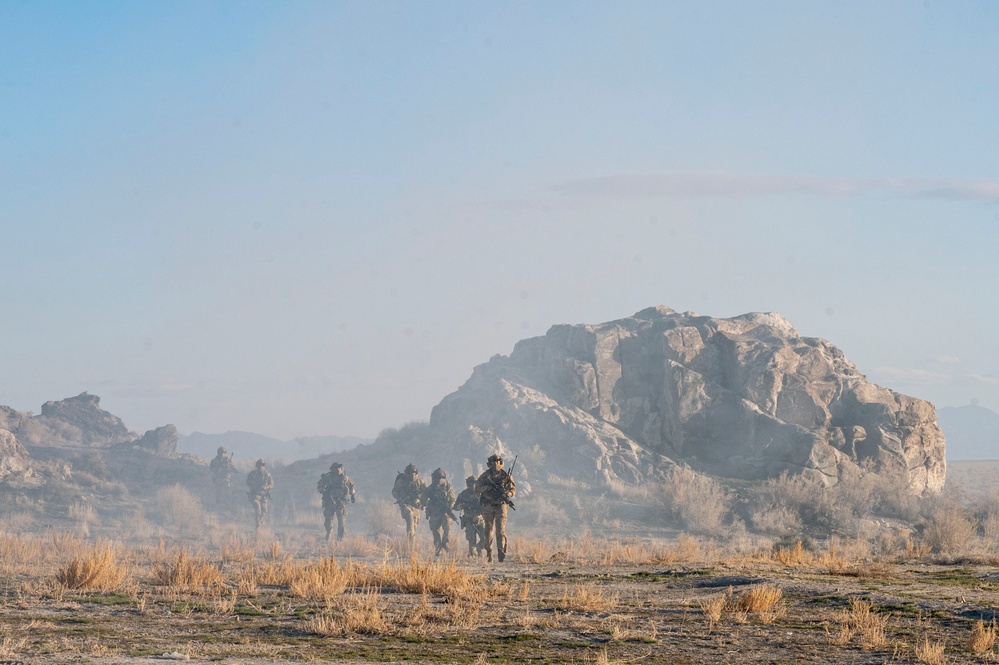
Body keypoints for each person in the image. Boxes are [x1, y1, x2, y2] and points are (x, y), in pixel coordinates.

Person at [474, 453, 516, 562]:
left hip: (501, 505)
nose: (495, 464)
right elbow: (477, 488)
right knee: (488, 530)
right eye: (493, 462)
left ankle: (501, 551)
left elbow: (512, 489)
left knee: (500, 530)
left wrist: (508, 494)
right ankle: (489, 552)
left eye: (497, 461)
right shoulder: (485, 476)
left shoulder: (506, 476)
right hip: (488, 505)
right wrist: (487, 488)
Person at [317, 462, 356, 542]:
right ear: (332, 469)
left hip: (341, 502)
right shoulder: (327, 478)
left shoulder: (345, 478)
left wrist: (352, 495)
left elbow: (351, 485)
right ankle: (329, 534)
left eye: (339, 468)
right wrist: (322, 490)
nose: (338, 470)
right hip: (329, 502)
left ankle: (340, 541)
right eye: (336, 468)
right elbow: (319, 485)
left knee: (341, 523)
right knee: (328, 522)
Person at [422, 468, 457, 557]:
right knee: (435, 530)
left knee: (447, 527)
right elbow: (423, 500)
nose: (437, 480)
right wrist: (429, 503)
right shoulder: (430, 489)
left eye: (439, 478)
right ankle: (438, 548)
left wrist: (450, 506)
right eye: (435, 478)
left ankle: (445, 542)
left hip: (445, 512)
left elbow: (453, 499)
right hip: (434, 512)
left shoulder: (448, 488)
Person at [391, 463, 426, 546]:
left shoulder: (420, 481)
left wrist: (419, 499)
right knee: (410, 517)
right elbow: (394, 492)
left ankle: (411, 543)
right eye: (409, 473)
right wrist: (399, 498)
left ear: (416, 473)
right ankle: (411, 545)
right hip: (405, 505)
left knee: (414, 526)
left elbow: (425, 493)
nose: (412, 475)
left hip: (416, 506)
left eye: (413, 473)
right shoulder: (401, 481)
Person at [454, 475, 486, 557]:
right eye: (471, 484)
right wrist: (460, 506)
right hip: (469, 519)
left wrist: (481, 514)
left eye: (475, 483)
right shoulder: (463, 494)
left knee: (486, 539)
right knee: (471, 542)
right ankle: (473, 554)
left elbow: (487, 506)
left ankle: (479, 548)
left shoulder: (482, 493)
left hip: (481, 519)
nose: (473, 486)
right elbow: (455, 506)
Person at [246, 459, 274, 529]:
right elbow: (247, 482)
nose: (261, 467)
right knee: (257, 507)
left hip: (264, 495)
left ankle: (259, 523)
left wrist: (267, 487)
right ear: (257, 466)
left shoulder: (267, 474)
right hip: (255, 494)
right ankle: (257, 523)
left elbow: (271, 484)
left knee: (264, 511)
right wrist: (253, 485)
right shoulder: (252, 474)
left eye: (262, 465)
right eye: (259, 465)